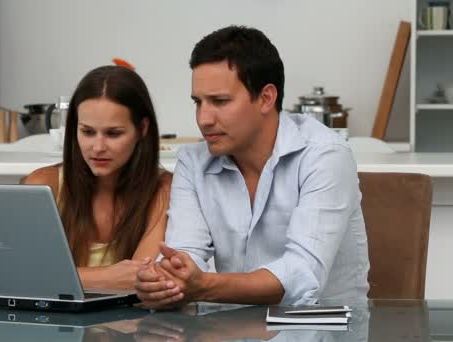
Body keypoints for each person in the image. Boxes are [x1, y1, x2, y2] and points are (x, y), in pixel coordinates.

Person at [134, 26, 369, 308]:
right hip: (228, 329)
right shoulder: (192, 161)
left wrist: (203, 285)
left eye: (220, 101)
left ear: (266, 98)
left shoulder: (325, 154)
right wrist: (166, 281)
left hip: (321, 331)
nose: (203, 118)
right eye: (198, 102)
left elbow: (303, 274)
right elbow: (184, 254)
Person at [24, 65, 172, 290]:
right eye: (87, 132)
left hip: (133, 324)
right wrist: (108, 277)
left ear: (142, 129)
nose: (98, 147)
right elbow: (19, 278)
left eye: (114, 133)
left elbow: (143, 279)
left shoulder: (163, 189)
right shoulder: (44, 185)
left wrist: (61, 279)